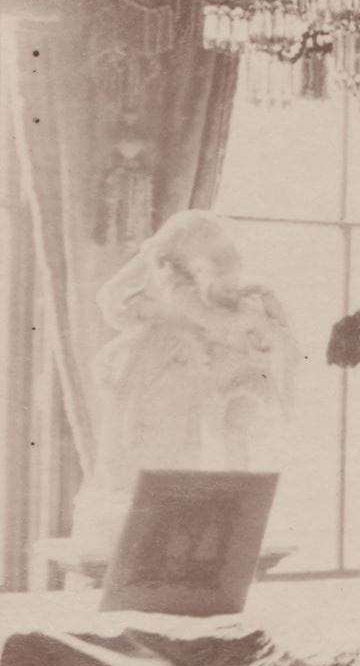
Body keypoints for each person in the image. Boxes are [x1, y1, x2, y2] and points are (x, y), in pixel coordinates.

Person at [75, 210, 297, 554]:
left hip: (188, 369)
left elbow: (215, 320)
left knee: (182, 446)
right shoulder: (158, 265)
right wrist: (151, 314)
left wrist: (251, 314)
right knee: (142, 443)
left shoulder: (200, 281)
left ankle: (166, 526)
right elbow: (110, 297)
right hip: (152, 367)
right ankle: (141, 515)